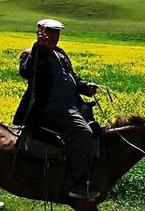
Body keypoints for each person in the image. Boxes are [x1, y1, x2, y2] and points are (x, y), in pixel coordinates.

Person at [13, 18, 102, 200]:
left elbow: (71, 78)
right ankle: (79, 184)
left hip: (72, 105)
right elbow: (26, 71)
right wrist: (38, 47)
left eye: (57, 32)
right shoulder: (32, 53)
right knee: (83, 133)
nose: (54, 36)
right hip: (53, 109)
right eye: (50, 32)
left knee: (97, 130)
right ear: (40, 32)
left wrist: (85, 86)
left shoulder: (60, 53)